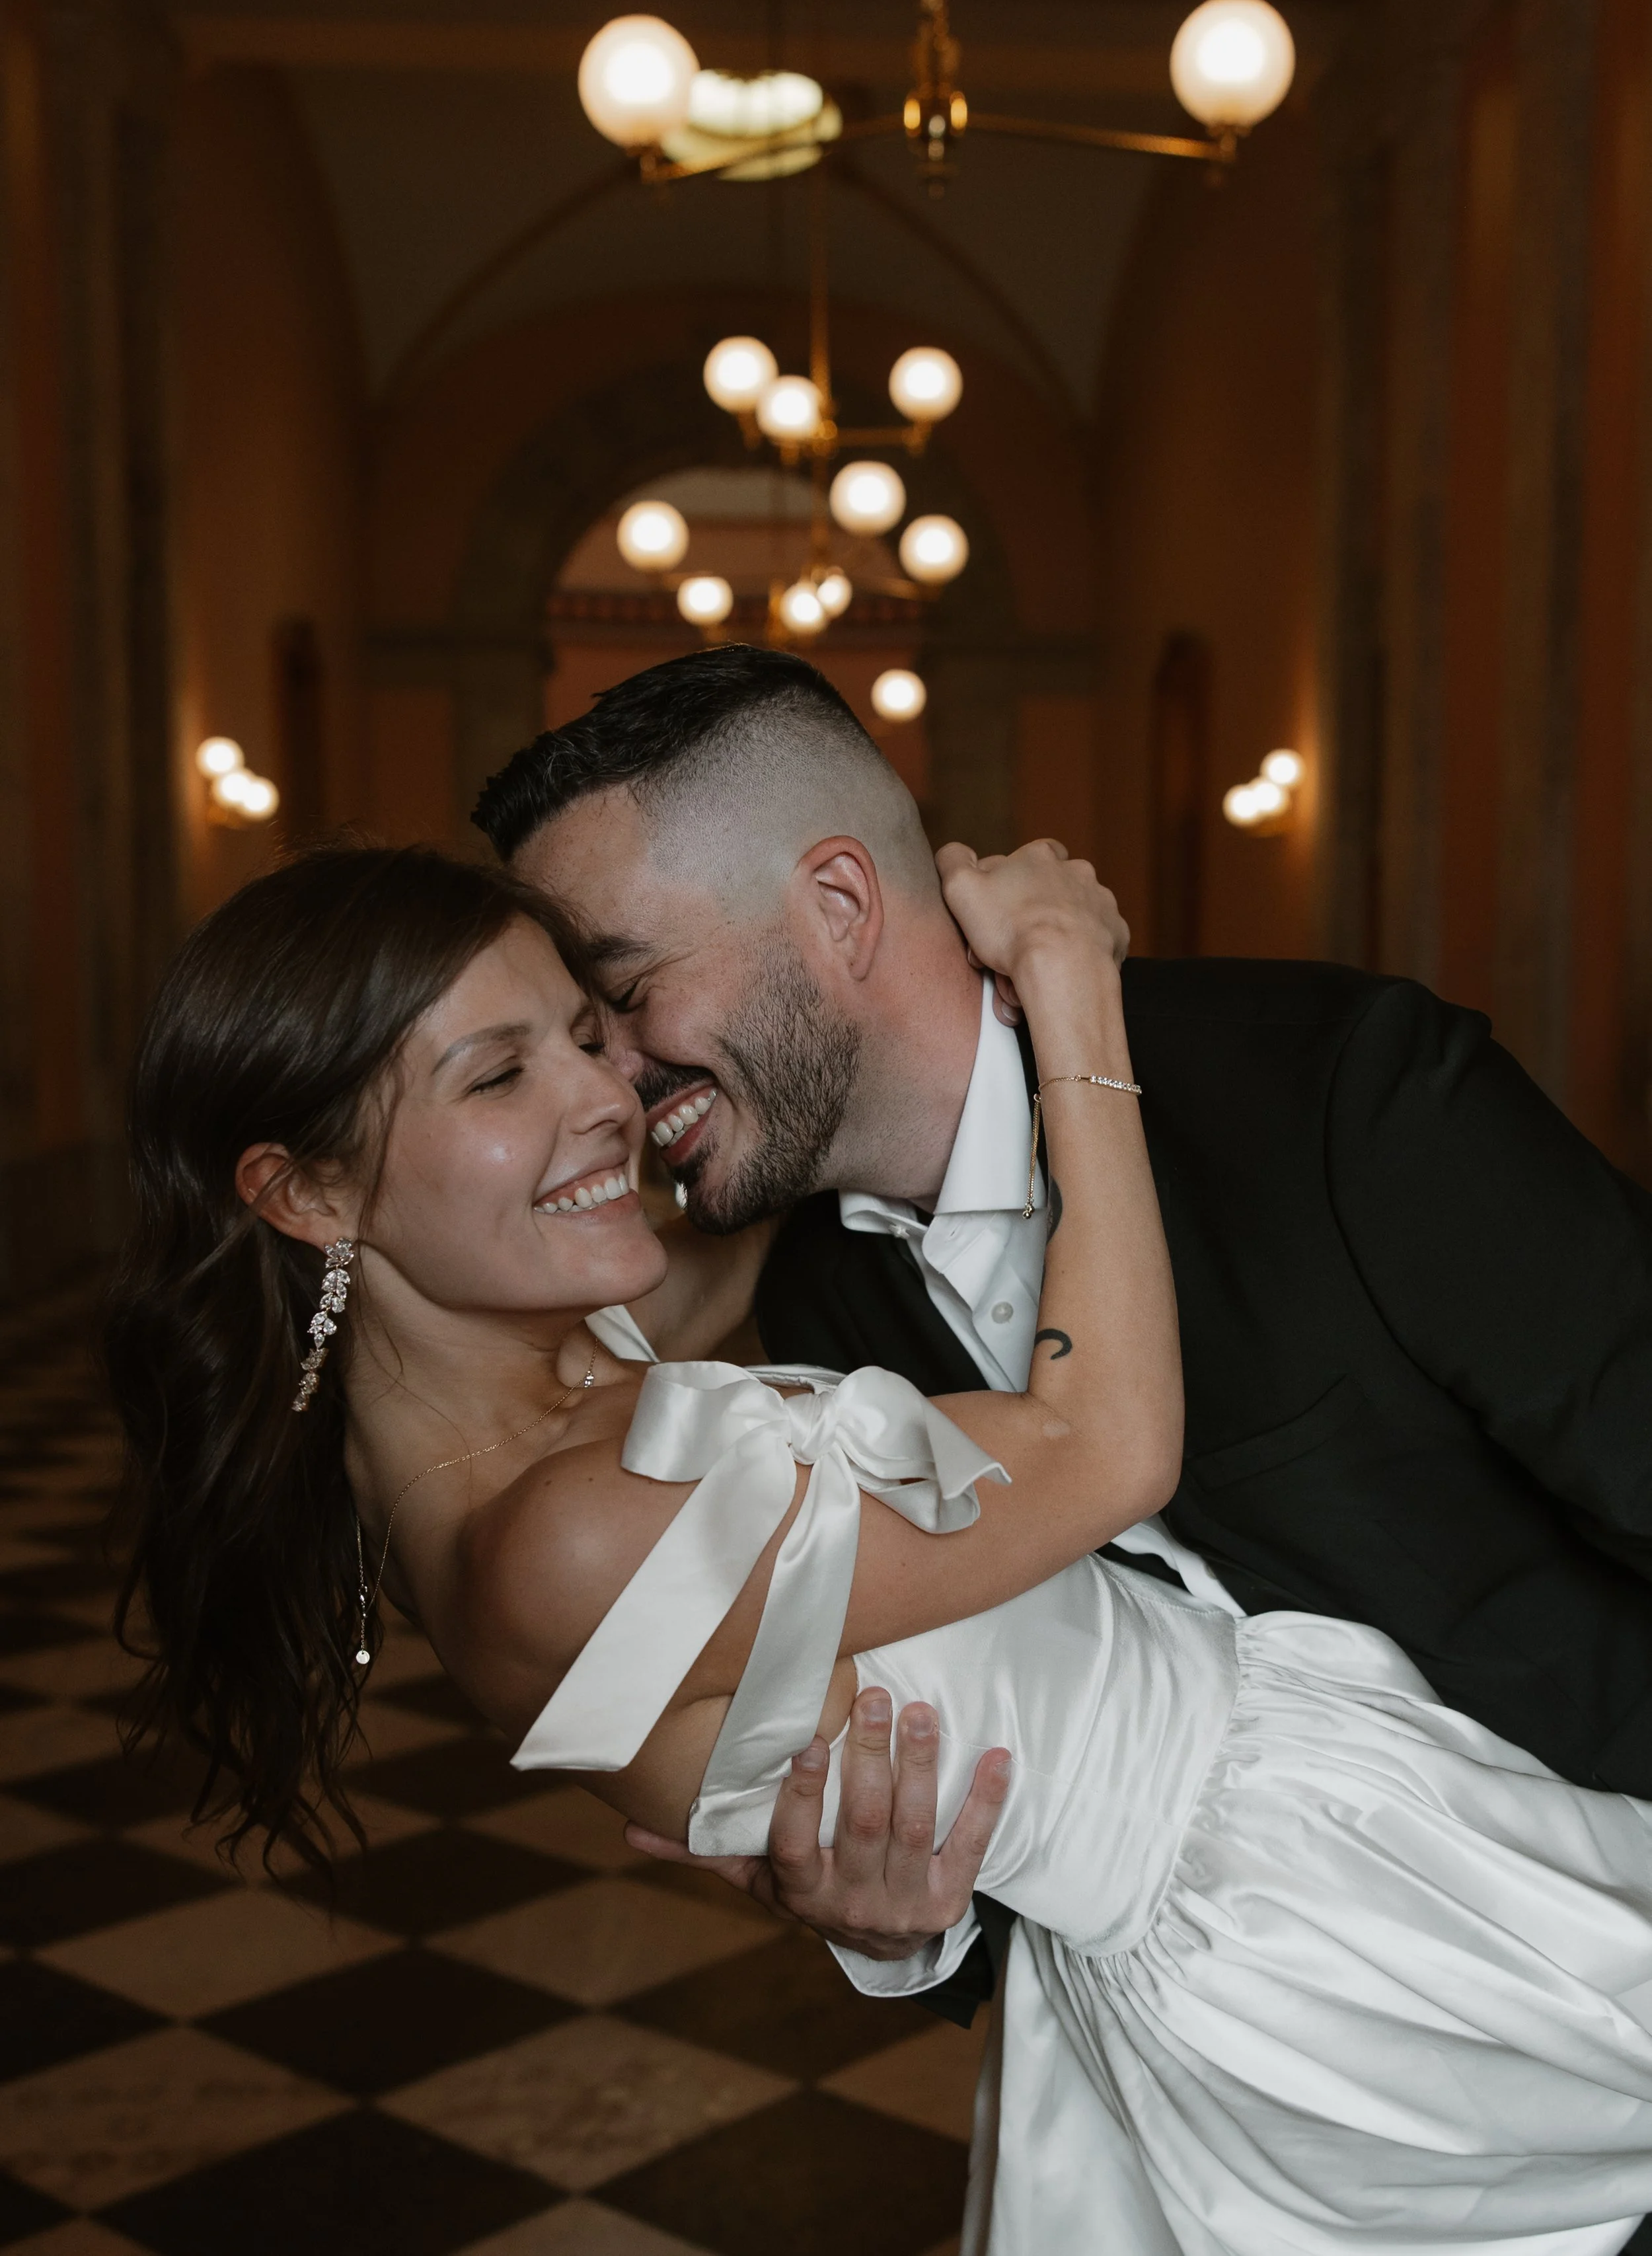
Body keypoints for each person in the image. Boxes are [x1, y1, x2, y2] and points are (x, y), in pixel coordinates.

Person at [108, 839, 1652, 2254]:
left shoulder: (559, 1374)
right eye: (495, 1075)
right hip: (1320, 1928)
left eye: (590, 1029)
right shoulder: (562, 1536)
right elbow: (1104, 1448)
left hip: (1318, 1813)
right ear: (306, 1191)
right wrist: (1067, 996)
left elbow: (777, 1196)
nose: (601, 1096)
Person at [471, 646, 1652, 2025]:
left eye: (621, 992)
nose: (605, 1077)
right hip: (1245, 2109)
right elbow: (1047, 1812)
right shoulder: (817, 1312)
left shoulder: (1334, 1098)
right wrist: (897, 1924)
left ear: (838, 905)